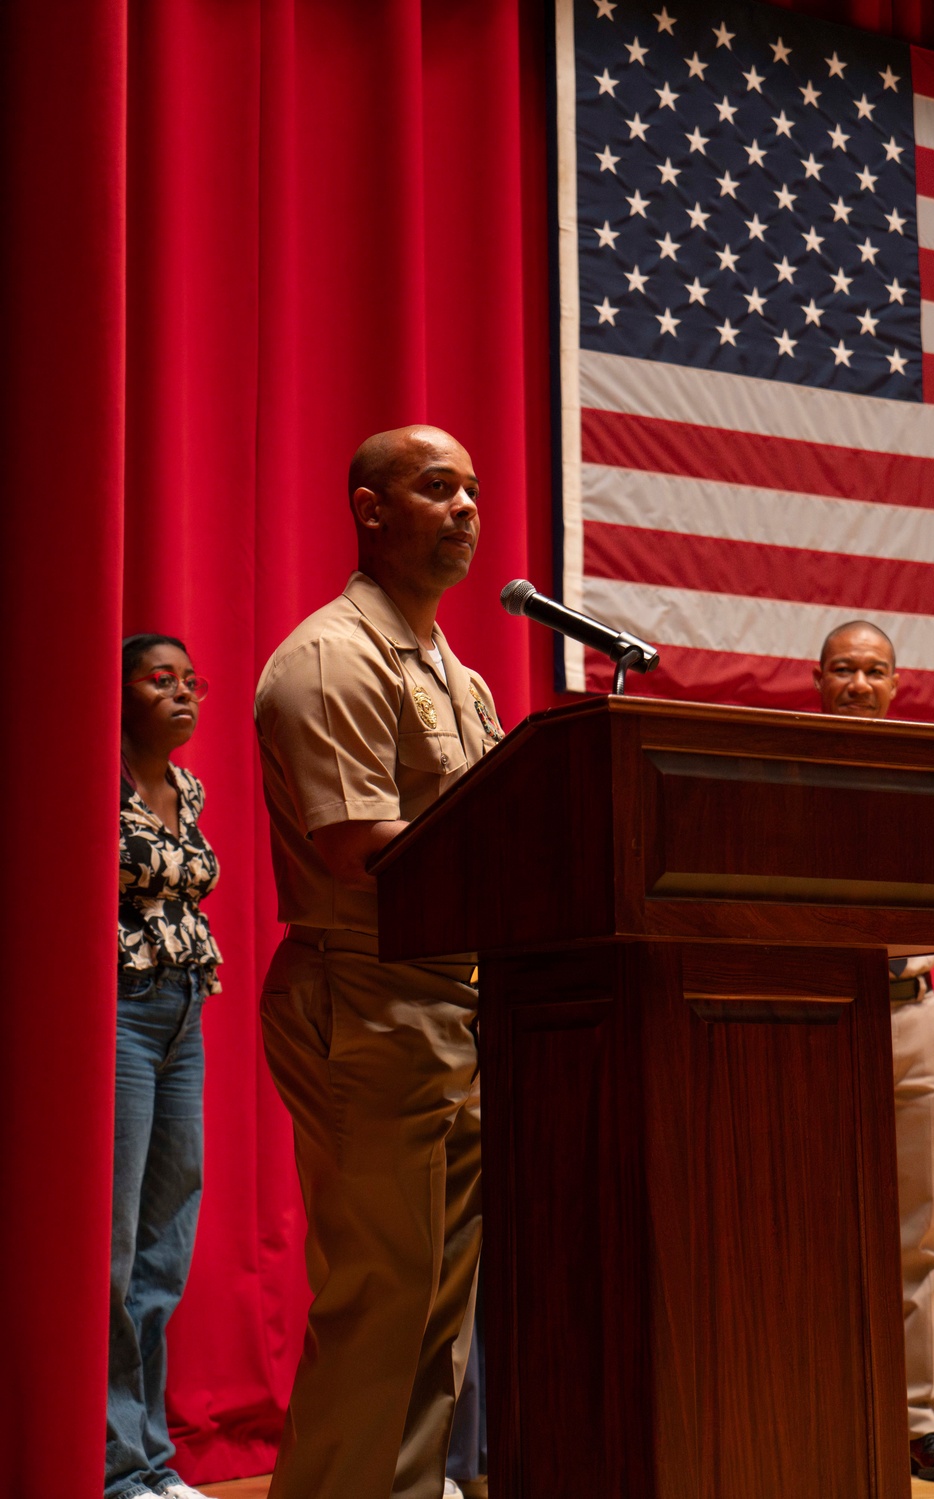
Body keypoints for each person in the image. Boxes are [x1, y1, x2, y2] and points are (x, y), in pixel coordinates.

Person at [254, 425, 503, 1499]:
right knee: (380, 1294)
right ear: (368, 508)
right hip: (367, 998)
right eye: (436, 488)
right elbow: (355, 848)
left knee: (437, 1302)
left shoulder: (461, 671)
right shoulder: (330, 657)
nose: (463, 510)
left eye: (473, 492)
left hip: (457, 1002)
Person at [814, 619, 934, 1484]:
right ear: (818, 678)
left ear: (897, 683)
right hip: (813, 1021)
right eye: (844, 668)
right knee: (805, 1226)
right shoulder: (785, 776)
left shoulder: (931, 784)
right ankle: (810, 1401)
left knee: (916, 1236)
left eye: (874, 670)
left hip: (910, 1016)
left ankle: (917, 1419)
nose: (859, 683)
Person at [109, 635, 223, 1499]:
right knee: (115, 1249)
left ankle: (152, 1460)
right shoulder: (96, 780)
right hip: (121, 1015)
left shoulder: (187, 788)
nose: (183, 693)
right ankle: (120, 1469)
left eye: (192, 681)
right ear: (119, 693)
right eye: (161, 679)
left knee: (165, 1245)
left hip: (186, 1012)